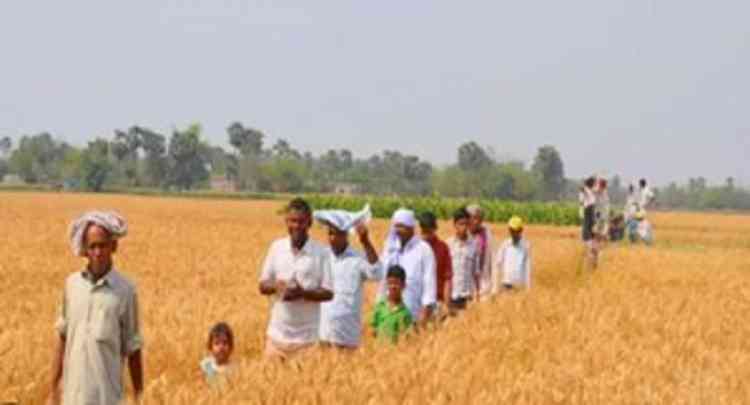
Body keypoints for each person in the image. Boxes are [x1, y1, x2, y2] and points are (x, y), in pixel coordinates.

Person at [50, 211, 144, 405]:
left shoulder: (125, 291)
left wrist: (139, 396)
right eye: (92, 246)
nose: (98, 252)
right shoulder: (72, 285)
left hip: (106, 398)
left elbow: (133, 348)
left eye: (103, 245)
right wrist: (53, 389)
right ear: (85, 249)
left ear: (114, 246)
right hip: (72, 396)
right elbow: (63, 337)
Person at [259, 198, 334, 360]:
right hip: (276, 337)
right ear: (286, 221)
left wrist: (302, 293)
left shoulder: (321, 252)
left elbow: (329, 293)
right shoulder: (276, 248)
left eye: (301, 222)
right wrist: (278, 287)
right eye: (292, 221)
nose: (296, 226)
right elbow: (262, 285)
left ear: (310, 223)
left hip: (307, 341)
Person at [314, 205, 382, 350]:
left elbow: (377, 273)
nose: (332, 238)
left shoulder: (358, 258)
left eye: (336, 234)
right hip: (322, 334)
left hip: (347, 336)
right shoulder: (322, 256)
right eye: (330, 233)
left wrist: (365, 241)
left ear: (345, 235)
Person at [378, 208, 437, 326]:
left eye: (402, 226)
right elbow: (382, 281)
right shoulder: (390, 249)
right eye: (396, 226)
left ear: (411, 227)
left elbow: (429, 284)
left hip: (413, 315)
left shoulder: (423, 249)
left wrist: (424, 317)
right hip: (388, 316)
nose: (398, 230)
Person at [418, 211, 453, 318]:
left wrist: (446, 305)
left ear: (435, 229)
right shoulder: (415, 247)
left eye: (429, 232)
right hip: (417, 300)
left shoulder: (443, 248)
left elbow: (447, 278)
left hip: (436, 302)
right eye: (424, 232)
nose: (426, 236)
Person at [446, 207, 480, 311]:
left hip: (468, 298)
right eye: (461, 224)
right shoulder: (448, 244)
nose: (464, 227)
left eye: (466, 224)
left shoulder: (474, 245)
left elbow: (476, 273)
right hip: (451, 297)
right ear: (455, 225)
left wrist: (477, 295)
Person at [370, 266, 414, 344]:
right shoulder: (380, 307)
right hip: (378, 353)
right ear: (386, 284)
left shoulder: (405, 313)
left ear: (403, 285)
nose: (393, 286)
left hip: (395, 354)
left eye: (397, 283)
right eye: (390, 283)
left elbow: (407, 340)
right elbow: (372, 332)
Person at [494, 216, 532, 292]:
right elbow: (497, 264)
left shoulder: (526, 246)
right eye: (512, 230)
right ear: (509, 230)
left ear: (521, 230)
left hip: (519, 286)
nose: (514, 233)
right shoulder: (505, 245)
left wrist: (528, 288)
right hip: (505, 284)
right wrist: (495, 287)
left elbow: (528, 267)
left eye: (516, 230)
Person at [466, 204, 494, 299]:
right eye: (471, 218)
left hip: (485, 283)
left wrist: (493, 287)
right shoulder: (462, 236)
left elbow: (493, 261)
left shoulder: (487, 235)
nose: (475, 221)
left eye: (477, 218)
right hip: (466, 286)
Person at [200, 322, 236, 388]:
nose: (221, 347)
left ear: (231, 347)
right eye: (216, 343)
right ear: (210, 347)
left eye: (225, 343)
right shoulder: (205, 365)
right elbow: (200, 386)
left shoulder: (233, 369)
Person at [581, 177, 599, 269]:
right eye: (595, 183)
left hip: (589, 227)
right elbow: (583, 188)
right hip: (589, 228)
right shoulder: (589, 198)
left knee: (594, 250)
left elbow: (595, 188)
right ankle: (589, 268)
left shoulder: (590, 194)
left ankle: (591, 268)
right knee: (591, 250)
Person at [594, 178, 611, 244]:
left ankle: (601, 238)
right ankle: (602, 237)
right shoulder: (605, 192)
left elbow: (595, 189)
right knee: (603, 226)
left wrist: (596, 182)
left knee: (598, 226)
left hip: (599, 211)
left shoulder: (599, 190)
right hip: (604, 211)